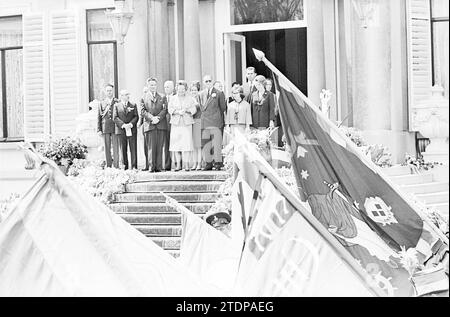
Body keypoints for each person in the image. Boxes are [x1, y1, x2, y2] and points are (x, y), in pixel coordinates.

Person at [199, 75, 227, 171]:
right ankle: (208, 164)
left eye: (209, 81)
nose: (208, 83)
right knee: (206, 144)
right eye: (206, 81)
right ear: (203, 82)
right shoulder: (201, 94)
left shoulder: (219, 93)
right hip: (204, 122)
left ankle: (218, 163)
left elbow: (223, 107)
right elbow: (201, 108)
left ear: (212, 81)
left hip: (216, 122)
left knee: (217, 144)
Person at [168, 80, 197, 171]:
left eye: (183, 89)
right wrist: (177, 112)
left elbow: (194, 109)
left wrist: (187, 111)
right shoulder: (172, 98)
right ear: (176, 89)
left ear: (186, 89)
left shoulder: (190, 98)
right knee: (176, 145)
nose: (181, 91)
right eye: (179, 89)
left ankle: (186, 165)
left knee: (186, 145)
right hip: (176, 123)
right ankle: (177, 165)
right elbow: (170, 109)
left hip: (186, 123)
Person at [141, 77, 168, 173]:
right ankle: (151, 167)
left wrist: (158, 118)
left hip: (160, 124)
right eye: (151, 85)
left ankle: (159, 167)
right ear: (148, 86)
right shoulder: (144, 97)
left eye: (154, 85)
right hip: (150, 125)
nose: (153, 86)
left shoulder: (162, 96)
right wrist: (152, 118)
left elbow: (165, 110)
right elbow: (143, 111)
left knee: (159, 146)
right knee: (151, 147)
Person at [113, 90, 139, 170]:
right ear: (121, 96)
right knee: (123, 149)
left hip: (131, 129)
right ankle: (125, 167)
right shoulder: (116, 106)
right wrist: (123, 125)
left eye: (127, 94)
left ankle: (134, 166)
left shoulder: (133, 105)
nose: (127, 96)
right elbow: (115, 117)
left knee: (133, 148)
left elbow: (136, 116)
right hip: (121, 130)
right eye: (124, 95)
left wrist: (130, 124)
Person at [97, 84, 120, 168]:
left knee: (116, 148)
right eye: (107, 90)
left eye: (110, 90)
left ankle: (116, 166)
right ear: (105, 92)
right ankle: (109, 166)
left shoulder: (117, 102)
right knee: (107, 148)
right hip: (105, 127)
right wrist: (99, 129)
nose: (109, 92)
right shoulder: (101, 103)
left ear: (113, 91)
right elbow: (99, 117)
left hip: (115, 127)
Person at [190, 81, 203, 171]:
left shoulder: (200, 99)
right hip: (190, 123)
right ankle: (194, 163)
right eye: (192, 90)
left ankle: (199, 163)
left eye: (195, 90)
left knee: (198, 145)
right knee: (193, 145)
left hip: (198, 121)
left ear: (198, 90)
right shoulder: (189, 99)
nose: (193, 92)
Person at [163, 80, 175, 171]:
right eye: (165, 87)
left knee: (177, 144)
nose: (166, 89)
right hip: (165, 124)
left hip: (175, 123)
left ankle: (178, 164)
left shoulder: (176, 97)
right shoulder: (162, 98)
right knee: (166, 145)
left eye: (168, 87)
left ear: (173, 88)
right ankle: (167, 165)